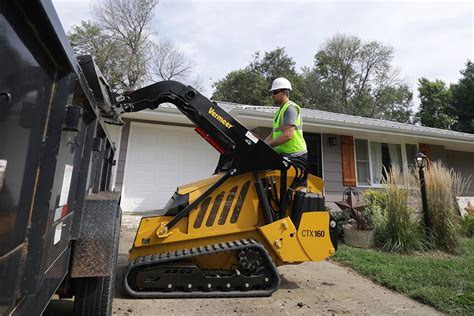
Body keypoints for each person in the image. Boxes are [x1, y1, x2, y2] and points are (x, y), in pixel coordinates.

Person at [265, 77, 308, 185]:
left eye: (275, 92)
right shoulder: (280, 111)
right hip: (285, 155)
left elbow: (287, 135)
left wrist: (268, 146)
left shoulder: (290, 108)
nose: (272, 95)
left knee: (292, 193)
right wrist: (262, 145)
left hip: (295, 157)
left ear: (284, 92)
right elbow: (273, 134)